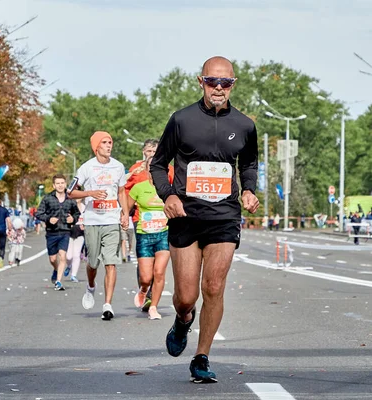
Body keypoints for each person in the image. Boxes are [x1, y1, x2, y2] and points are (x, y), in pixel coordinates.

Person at [150, 56, 259, 383]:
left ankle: (201, 356)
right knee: (186, 297)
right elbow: (157, 165)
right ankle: (183, 320)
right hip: (186, 217)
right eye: (213, 82)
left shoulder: (244, 125)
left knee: (214, 285)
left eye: (225, 83)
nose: (219, 89)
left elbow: (249, 164)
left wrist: (249, 190)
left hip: (224, 217)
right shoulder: (181, 120)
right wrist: (168, 194)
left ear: (233, 85)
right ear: (201, 82)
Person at [69, 131, 128, 320]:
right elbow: (71, 192)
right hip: (93, 220)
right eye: (104, 142)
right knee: (93, 262)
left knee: (111, 263)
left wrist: (125, 213)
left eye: (110, 142)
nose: (109, 145)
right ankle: (91, 286)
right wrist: (90, 193)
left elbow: (121, 193)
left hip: (111, 220)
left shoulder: (118, 167)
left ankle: (107, 304)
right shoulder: (87, 168)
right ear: (96, 147)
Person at [125, 138, 175, 310]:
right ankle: (146, 289)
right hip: (141, 217)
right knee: (146, 262)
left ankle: (153, 295)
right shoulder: (136, 169)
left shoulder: (168, 169)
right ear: (143, 152)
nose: (151, 154)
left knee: (159, 265)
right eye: (149, 151)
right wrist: (125, 212)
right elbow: (124, 190)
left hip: (162, 219)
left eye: (155, 152)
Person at [36, 174, 80, 291]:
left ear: (65, 184)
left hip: (65, 231)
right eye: (58, 183)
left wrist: (73, 219)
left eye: (62, 183)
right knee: (52, 259)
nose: (60, 185)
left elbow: (77, 213)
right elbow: (39, 213)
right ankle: (55, 270)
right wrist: (49, 219)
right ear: (54, 185)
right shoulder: (48, 198)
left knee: (63, 256)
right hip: (51, 232)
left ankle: (59, 282)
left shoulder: (70, 199)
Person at [65, 199, 86, 282]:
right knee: (69, 256)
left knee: (76, 254)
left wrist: (85, 225)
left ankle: (73, 275)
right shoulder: (69, 206)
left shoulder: (85, 207)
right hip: (69, 232)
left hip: (80, 233)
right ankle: (69, 266)